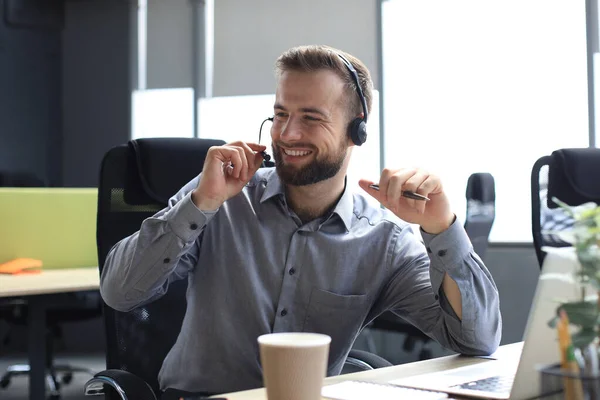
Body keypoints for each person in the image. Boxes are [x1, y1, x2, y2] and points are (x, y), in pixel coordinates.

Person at [100, 44, 502, 395]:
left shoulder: (384, 238)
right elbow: (119, 293)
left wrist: (442, 226)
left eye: (311, 117)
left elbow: (477, 340)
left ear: (356, 130)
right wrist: (201, 202)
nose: (288, 133)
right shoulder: (221, 201)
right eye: (280, 114)